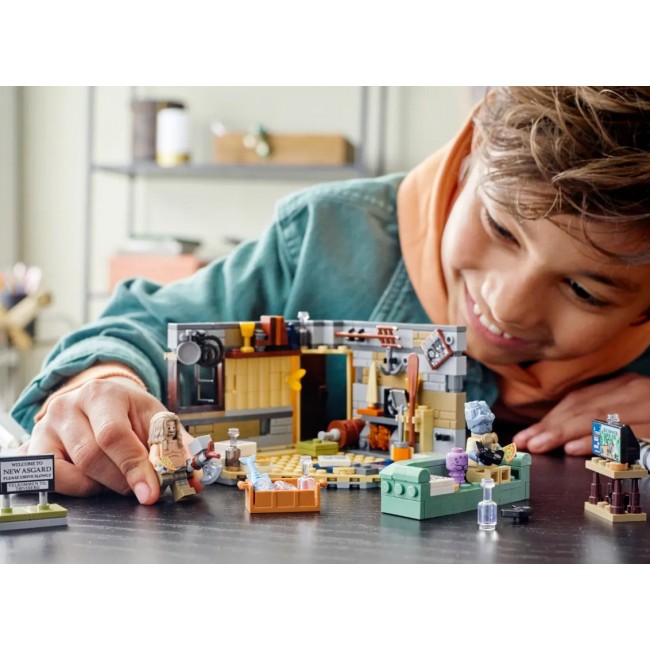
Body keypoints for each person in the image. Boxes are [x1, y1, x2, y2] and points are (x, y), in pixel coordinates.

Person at [12, 87, 650, 505]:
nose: (508, 305)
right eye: (501, 229)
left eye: (583, 289)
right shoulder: (323, 235)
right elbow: (138, 325)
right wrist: (102, 380)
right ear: (469, 154)